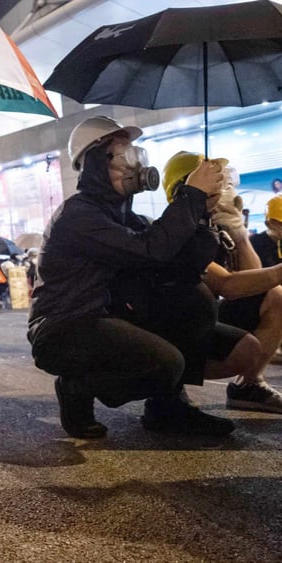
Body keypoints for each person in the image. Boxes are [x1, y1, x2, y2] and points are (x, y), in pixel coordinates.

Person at [28, 115, 233, 440]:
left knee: (194, 299)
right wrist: (190, 196)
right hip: (65, 327)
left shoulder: (126, 216)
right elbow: (150, 250)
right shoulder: (78, 216)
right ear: (95, 164)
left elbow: (177, 267)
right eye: (122, 157)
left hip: (111, 318)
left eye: (134, 154)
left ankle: (168, 410)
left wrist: (204, 213)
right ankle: (77, 386)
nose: (133, 165)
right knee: (166, 363)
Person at [162, 152, 282, 413]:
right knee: (244, 348)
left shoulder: (213, 227)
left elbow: (254, 280)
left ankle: (249, 386)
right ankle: (169, 387)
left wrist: (237, 232)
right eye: (217, 181)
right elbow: (228, 284)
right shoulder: (176, 231)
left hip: (204, 316)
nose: (226, 189)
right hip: (175, 327)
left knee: (275, 296)